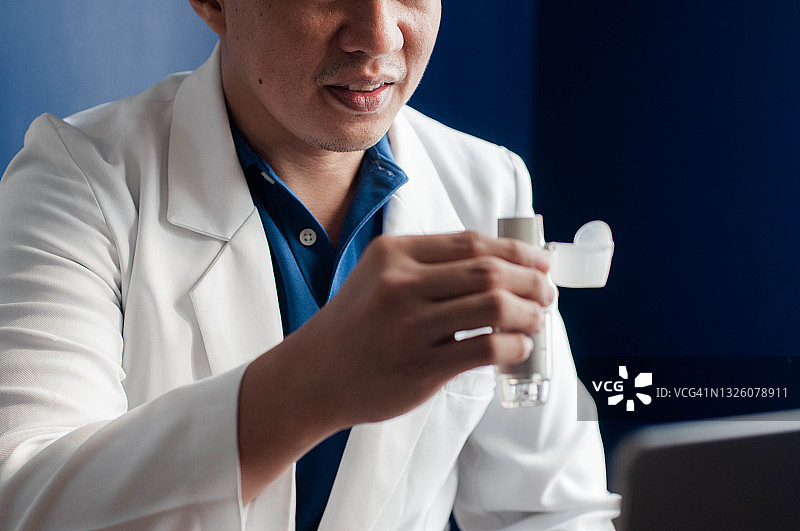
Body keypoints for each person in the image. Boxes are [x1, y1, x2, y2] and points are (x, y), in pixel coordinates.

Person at [0, 1, 619, 529]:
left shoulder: (489, 186)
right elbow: (24, 502)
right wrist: (310, 386)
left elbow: (550, 509)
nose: (379, 38)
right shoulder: (78, 181)